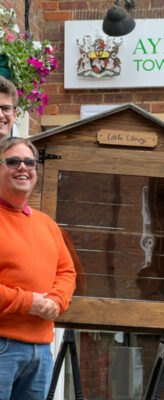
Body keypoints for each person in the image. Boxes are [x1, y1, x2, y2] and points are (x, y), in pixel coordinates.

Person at [0, 137, 76, 399]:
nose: (23, 167)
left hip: (41, 351)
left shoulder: (47, 224)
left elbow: (67, 272)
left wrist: (57, 301)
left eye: (29, 162)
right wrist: (26, 302)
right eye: (13, 161)